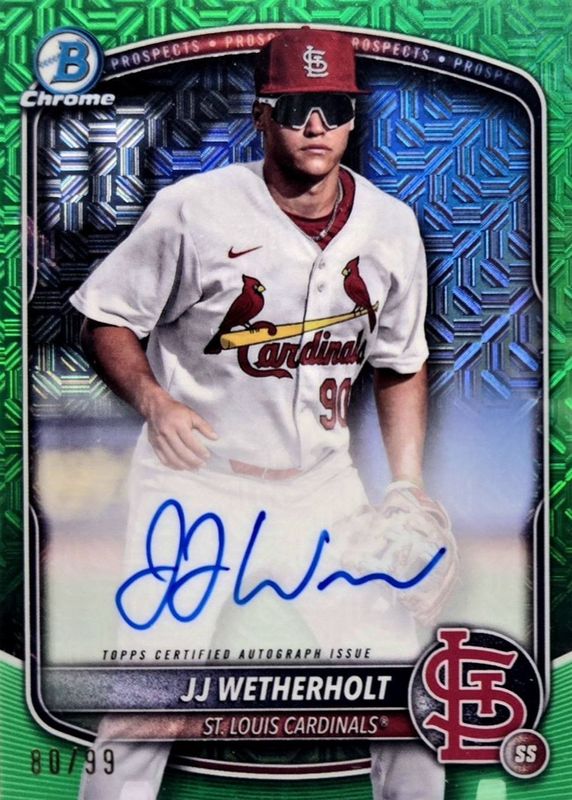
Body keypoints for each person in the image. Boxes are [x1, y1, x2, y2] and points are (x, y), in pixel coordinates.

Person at [71, 26, 445, 800]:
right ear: (262, 114)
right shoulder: (193, 210)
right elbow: (105, 317)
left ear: (354, 117)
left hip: (321, 491)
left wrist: (406, 485)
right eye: (297, 106)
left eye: (334, 106)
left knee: (404, 697)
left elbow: (401, 362)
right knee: (147, 709)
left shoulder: (390, 225)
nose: (317, 125)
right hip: (195, 489)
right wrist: (153, 399)